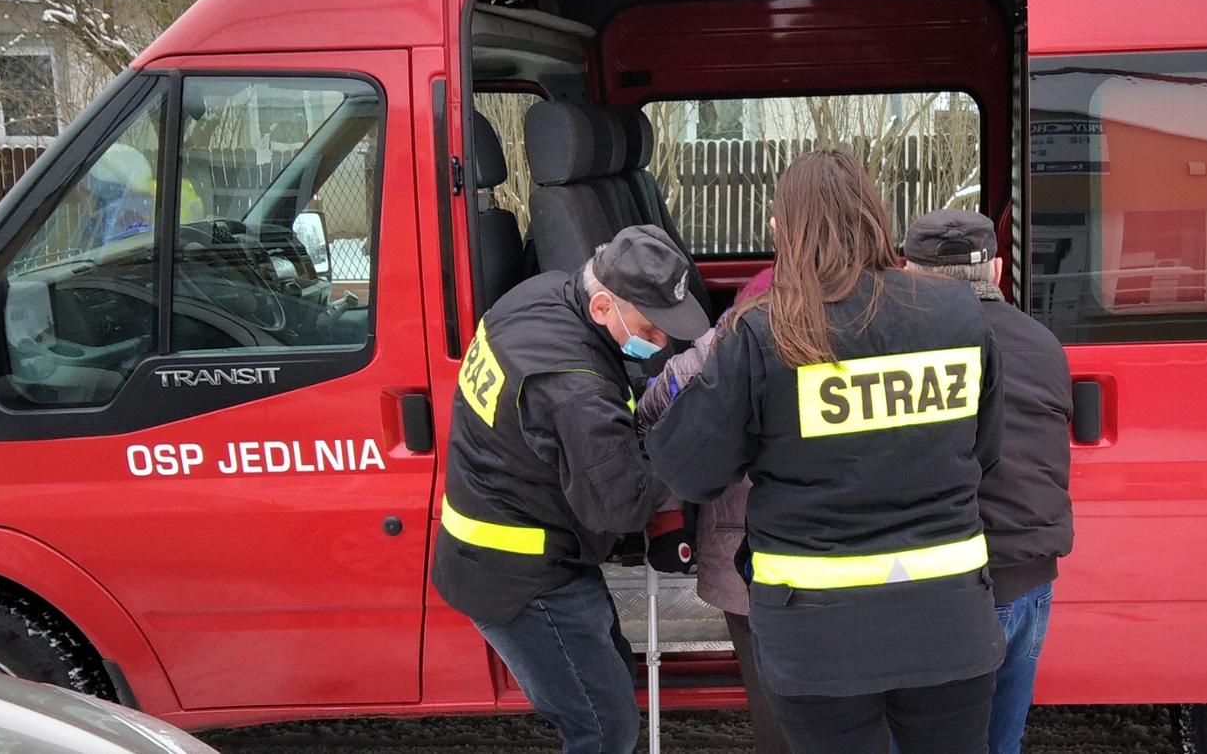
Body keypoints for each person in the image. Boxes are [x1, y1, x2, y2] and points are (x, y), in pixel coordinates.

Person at [646, 149, 1006, 754]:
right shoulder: (956, 314)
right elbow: (985, 453)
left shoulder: (765, 331)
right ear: (874, 215)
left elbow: (689, 467)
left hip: (815, 640)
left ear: (785, 229)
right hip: (950, 625)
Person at [431, 224, 709, 754]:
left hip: (514, 553)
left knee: (607, 681)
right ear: (603, 305)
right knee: (604, 729)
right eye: (651, 329)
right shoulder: (573, 391)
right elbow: (622, 503)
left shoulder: (538, 297)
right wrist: (687, 451)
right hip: (525, 580)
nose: (661, 343)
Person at [902, 209, 1073, 754]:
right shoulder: (1045, 342)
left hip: (949, 583)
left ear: (908, 273)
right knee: (1001, 743)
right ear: (997, 271)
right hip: (1031, 582)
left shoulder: (907, 348)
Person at [635, 266, 790, 754]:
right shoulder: (863, 333)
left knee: (775, 711)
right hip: (844, 557)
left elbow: (651, 417)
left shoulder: (720, 350)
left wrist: (667, 513)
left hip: (745, 561)